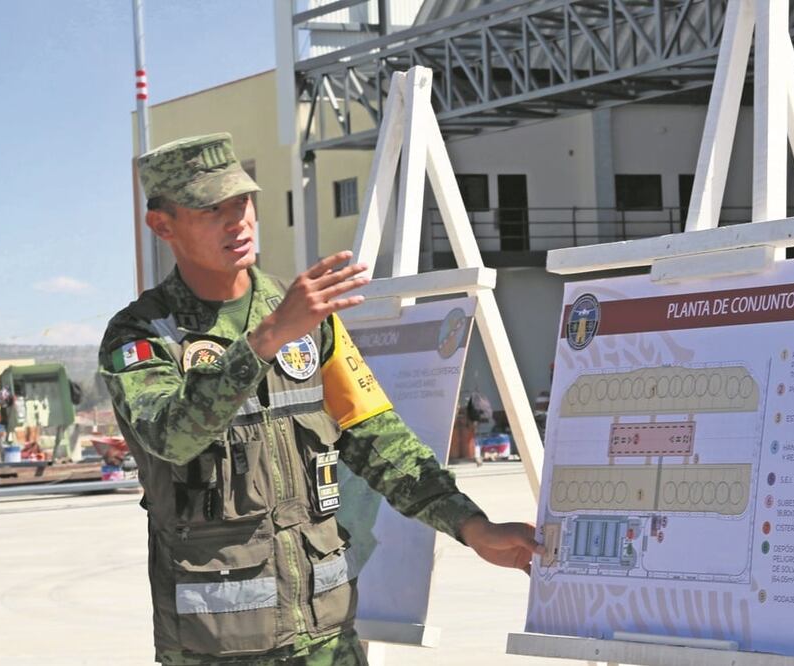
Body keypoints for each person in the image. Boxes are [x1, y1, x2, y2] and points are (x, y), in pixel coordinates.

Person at [100, 133, 542, 665]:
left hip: (328, 642)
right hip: (218, 649)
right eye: (210, 209)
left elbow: (379, 440)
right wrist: (265, 340)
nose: (236, 221)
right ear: (163, 225)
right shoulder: (143, 335)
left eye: (241, 202)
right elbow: (169, 435)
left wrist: (474, 527)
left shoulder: (311, 323)